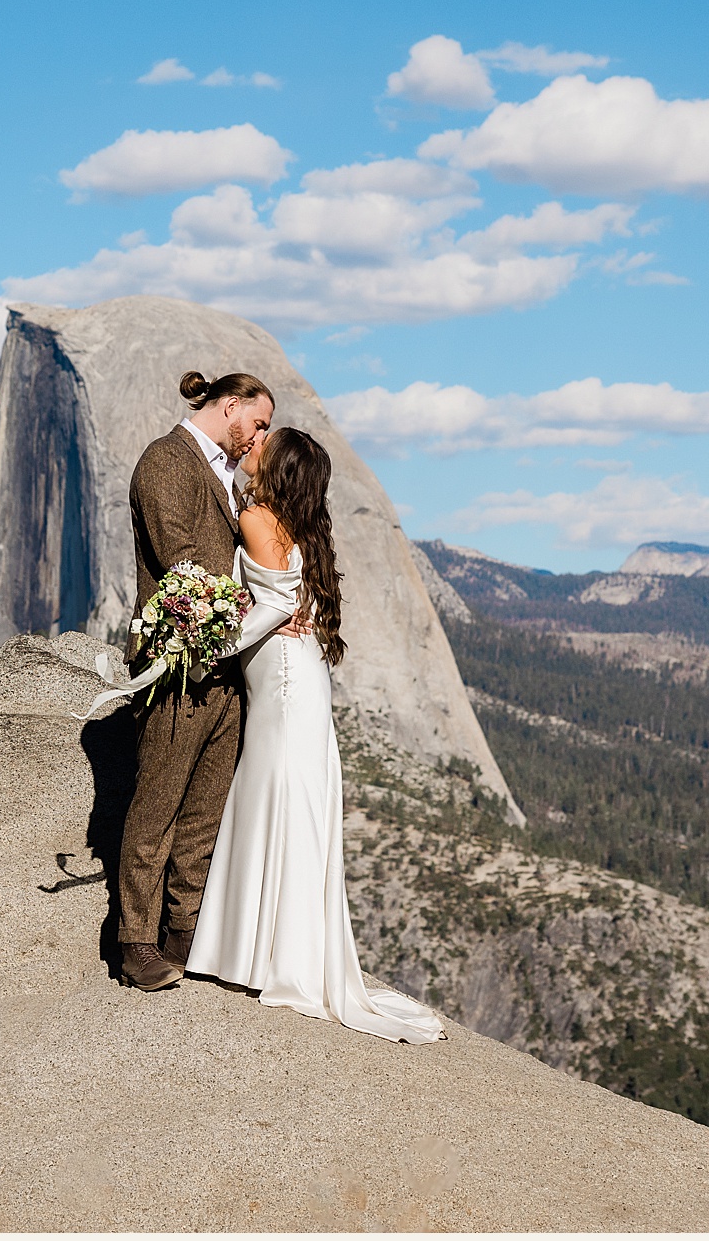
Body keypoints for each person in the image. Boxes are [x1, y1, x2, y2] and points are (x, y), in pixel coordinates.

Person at [184, 425, 445, 1044]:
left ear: (276, 469)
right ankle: (271, 952)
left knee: (272, 796)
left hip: (280, 678)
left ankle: (265, 956)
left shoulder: (256, 517)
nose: (253, 444)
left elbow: (273, 607)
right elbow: (289, 599)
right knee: (284, 800)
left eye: (263, 447)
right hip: (297, 677)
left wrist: (208, 649)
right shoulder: (294, 523)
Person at [113, 369, 275, 992]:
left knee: (205, 811)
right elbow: (180, 558)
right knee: (156, 806)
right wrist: (257, 605)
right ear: (229, 406)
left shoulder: (230, 475)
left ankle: (186, 931)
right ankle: (135, 943)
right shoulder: (165, 460)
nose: (256, 438)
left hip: (225, 668)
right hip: (175, 666)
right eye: (256, 423)